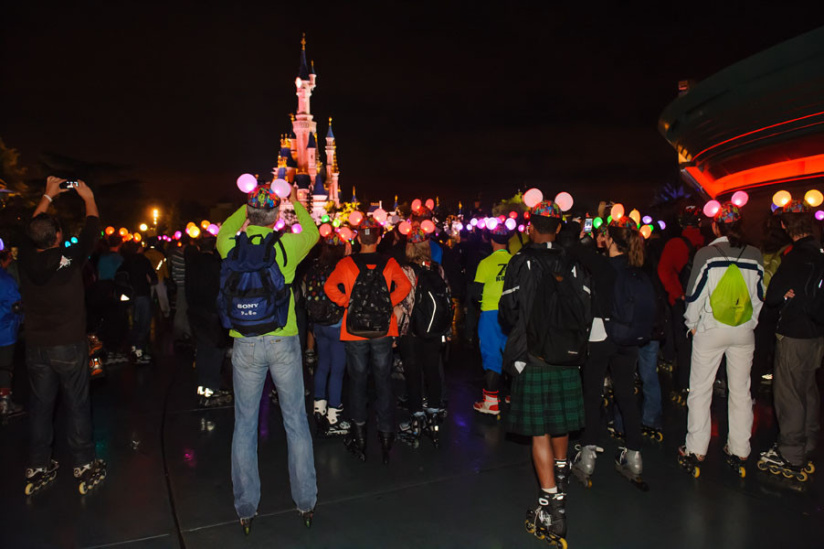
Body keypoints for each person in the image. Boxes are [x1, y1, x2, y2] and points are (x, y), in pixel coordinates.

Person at [217, 184, 319, 534]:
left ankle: (246, 507)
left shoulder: (230, 246)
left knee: (244, 425)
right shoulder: (286, 246)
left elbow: (225, 230)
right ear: (275, 216)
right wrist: (292, 200)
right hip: (283, 339)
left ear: (250, 214)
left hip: (244, 343)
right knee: (295, 421)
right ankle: (305, 501)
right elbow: (313, 231)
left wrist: (246, 210)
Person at [499, 200, 589, 546]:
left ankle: (553, 507)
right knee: (561, 423)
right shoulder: (574, 263)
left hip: (533, 356)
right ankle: (563, 474)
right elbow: (586, 309)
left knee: (539, 431)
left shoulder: (520, 262)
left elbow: (508, 312)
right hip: (567, 356)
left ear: (531, 228)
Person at [18, 176, 106, 495]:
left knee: (41, 407)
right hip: (68, 345)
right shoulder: (70, 260)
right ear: (58, 236)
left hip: (37, 348)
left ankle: (39, 464)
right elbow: (92, 230)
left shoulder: (26, 261)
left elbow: (30, 233)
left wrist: (46, 196)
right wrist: (88, 196)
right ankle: (83, 461)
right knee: (77, 403)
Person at [678, 202, 763, 475]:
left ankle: (696, 449)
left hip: (711, 329)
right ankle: (740, 450)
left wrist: (692, 325)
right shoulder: (755, 254)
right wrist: (751, 323)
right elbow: (759, 297)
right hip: (743, 331)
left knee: (700, 390)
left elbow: (694, 296)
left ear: (716, 226)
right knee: (741, 392)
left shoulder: (706, 253)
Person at [570, 214, 653, 490]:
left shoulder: (603, 265)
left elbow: (573, 246)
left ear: (611, 240)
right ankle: (634, 455)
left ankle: (588, 454)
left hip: (601, 333)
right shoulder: (639, 267)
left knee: (592, 393)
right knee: (626, 394)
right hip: (628, 338)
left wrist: (589, 232)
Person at [325, 217, 412, 464]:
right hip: (383, 329)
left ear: (358, 237)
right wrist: (387, 303)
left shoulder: (346, 263)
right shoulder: (389, 263)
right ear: (377, 237)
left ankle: (360, 437)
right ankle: (386, 437)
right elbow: (404, 287)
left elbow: (331, 288)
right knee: (384, 382)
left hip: (354, 331)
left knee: (358, 382)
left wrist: (348, 304)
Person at [757, 200, 822, 480]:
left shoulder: (794, 257)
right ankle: (808, 441)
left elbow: (771, 296)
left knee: (789, 393)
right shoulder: (820, 252)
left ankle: (790, 454)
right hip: (817, 331)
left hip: (794, 332)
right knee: (808, 387)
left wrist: (785, 295)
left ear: (785, 225)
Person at [395, 227, 451, 447]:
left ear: (409, 247)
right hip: (435, 330)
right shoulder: (438, 269)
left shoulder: (405, 270)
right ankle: (435, 416)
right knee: (433, 371)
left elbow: (405, 303)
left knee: (413, 373)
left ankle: (416, 418)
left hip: (412, 331)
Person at [658, 205, 705, 405]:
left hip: (681, 302)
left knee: (683, 346)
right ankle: (704, 385)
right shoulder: (708, 243)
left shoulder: (674, 244)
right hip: (704, 302)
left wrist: (677, 295)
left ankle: (684, 386)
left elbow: (664, 272)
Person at [305, 233, 349, 436]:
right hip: (337, 323)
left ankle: (318, 408)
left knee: (322, 365)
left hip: (318, 323)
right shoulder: (341, 268)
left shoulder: (314, 267)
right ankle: (333, 416)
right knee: (337, 370)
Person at [470, 223, 512, 415]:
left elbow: (476, 293)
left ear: (492, 240)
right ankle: (514, 395)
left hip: (490, 314)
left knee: (492, 357)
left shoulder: (485, 263)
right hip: (512, 312)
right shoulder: (515, 261)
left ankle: (491, 402)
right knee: (513, 354)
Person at [186, 235, 232, 407]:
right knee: (215, 350)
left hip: (195, 311)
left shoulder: (192, 264)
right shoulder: (216, 265)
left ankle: (203, 385)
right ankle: (211, 387)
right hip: (212, 312)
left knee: (203, 348)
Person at [119, 241, 157, 364]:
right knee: (144, 322)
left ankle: (134, 347)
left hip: (130, 296)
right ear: (138, 249)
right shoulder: (143, 260)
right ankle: (140, 351)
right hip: (142, 293)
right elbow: (153, 277)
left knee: (134, 322)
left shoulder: (125, 261)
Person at [0, 249, 23, 416]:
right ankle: (5, 404)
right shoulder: (6, 280)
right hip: (5, 332)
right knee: (5, 368)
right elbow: (15, 306)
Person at [143, 237, 171, 318]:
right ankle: (166, 312)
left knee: (149, 296)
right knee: (162, 296)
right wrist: (167, 277)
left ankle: (147, 312)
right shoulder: (160, 255)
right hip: (159, 278)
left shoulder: (145, 255)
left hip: (148, 279)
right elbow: (164, 268)